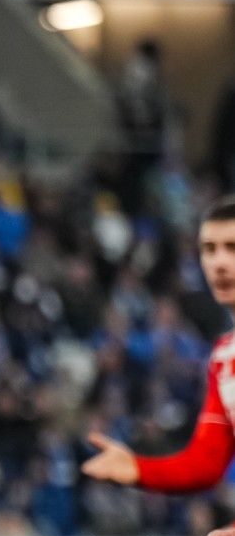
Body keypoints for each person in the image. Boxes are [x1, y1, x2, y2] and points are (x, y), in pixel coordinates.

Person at [84, 197, 235, 496]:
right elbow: (205, 462)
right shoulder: (223, 356)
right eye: (209, 250)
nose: (219, 263)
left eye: (232, 248)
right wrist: (140, 469)